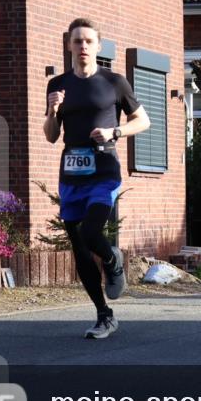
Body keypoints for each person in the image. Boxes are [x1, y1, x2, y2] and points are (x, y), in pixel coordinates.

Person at [45, 18, 150, 338]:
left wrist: (114, 131)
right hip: (71, 173)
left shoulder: (114, 82)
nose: (83, 46)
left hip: (104, 169)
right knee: (79, 248)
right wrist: (53, 111)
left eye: (88, 41)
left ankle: (111, 259)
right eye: (77, 41)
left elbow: (142, 121)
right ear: (69, 45)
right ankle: (104, 315)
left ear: (98, 46)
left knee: (91, 232)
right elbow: (51, 135)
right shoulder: (58, 85)